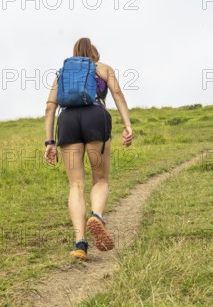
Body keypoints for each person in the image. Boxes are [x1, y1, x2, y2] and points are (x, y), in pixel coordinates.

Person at [44, 38, 134, 260]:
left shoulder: (62, 73)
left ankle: (80, 244)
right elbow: (118, 95)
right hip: (95, 117)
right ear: (94, 53)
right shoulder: (103, 68)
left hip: (67, 121)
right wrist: (127, 125)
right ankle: (97, 215)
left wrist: (49, 142)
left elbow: (49, 108)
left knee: (76, 184)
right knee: (100, 179)